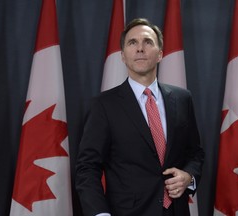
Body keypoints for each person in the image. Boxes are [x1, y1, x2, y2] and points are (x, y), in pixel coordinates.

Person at [75, 18, 205, 216]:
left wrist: (189, 177)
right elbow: (87, 167)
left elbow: (195, 153)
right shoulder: (103, 105)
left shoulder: (182, 99)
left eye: (148, 42)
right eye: (132, 43)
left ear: (160, 54)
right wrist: (100, 214)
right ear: (123, 56)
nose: (140, 49)